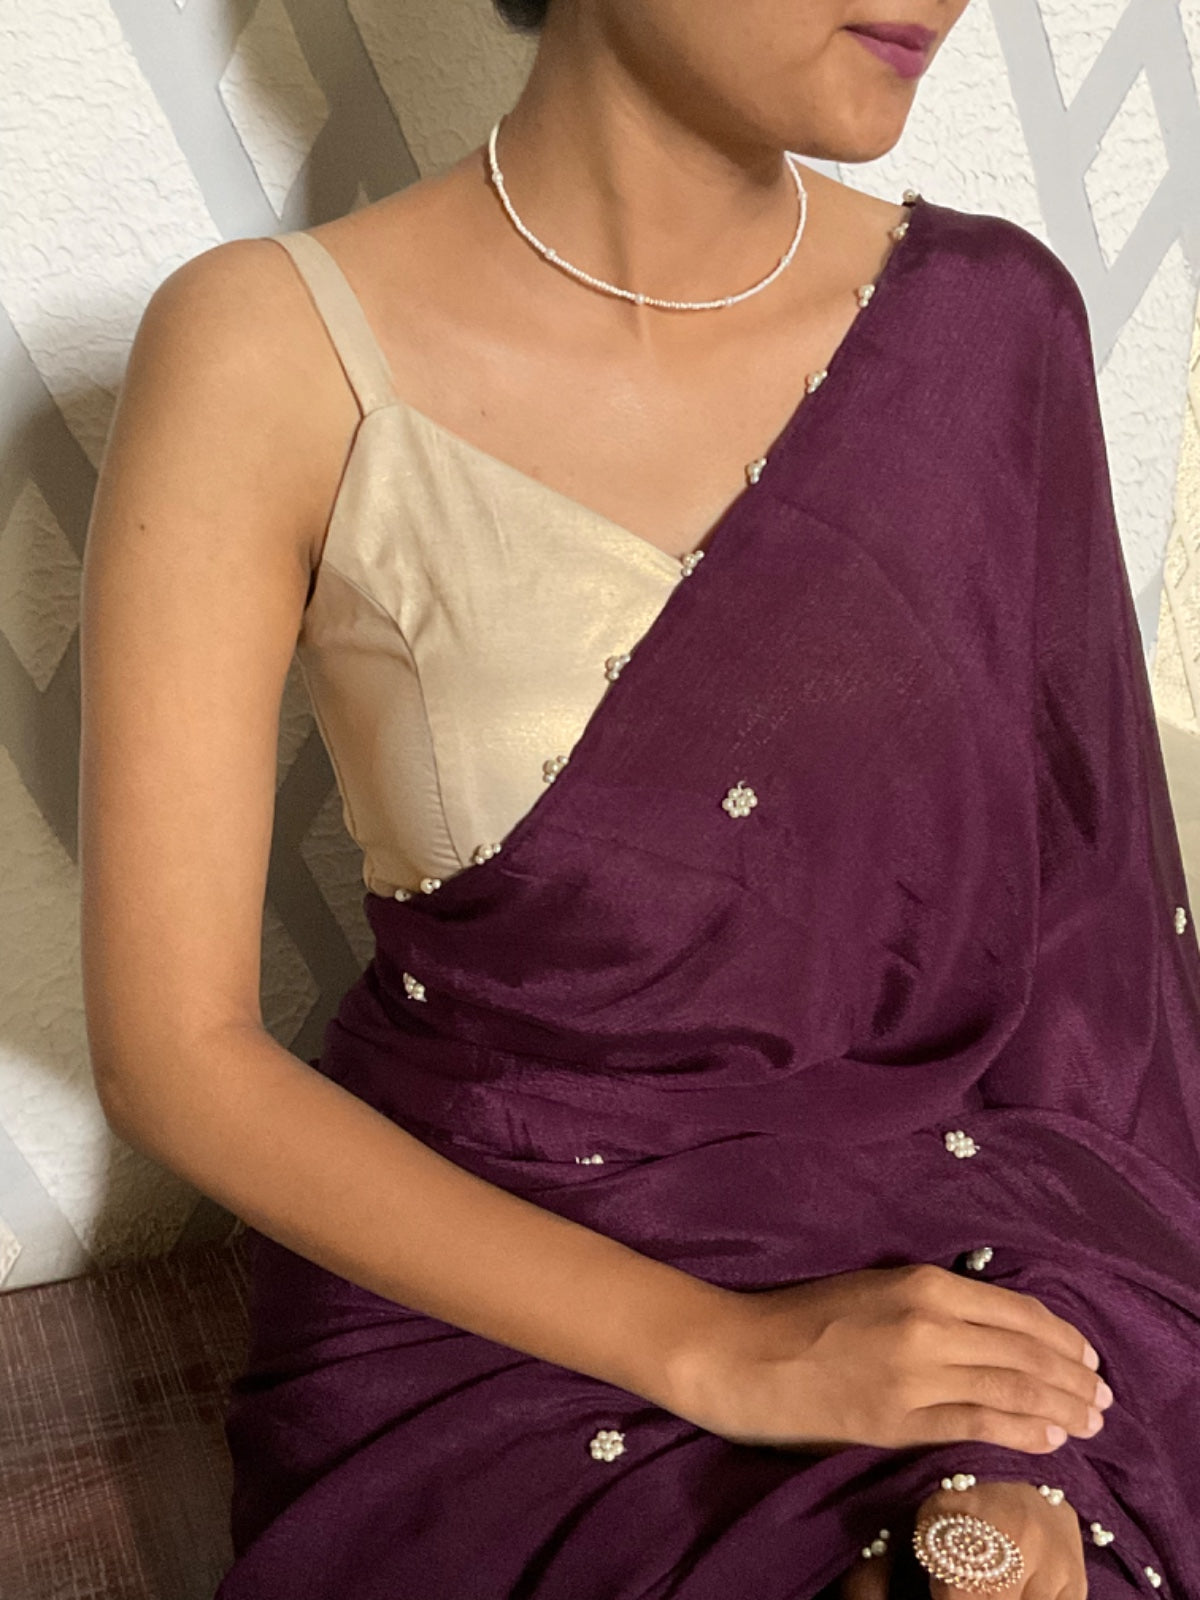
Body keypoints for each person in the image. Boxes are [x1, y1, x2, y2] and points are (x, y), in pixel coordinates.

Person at [77, 0, 1200, 1595]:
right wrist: (720, 1353)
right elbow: (175, 1054)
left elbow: (1093, 972)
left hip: (953, 1230)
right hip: (494, 1301)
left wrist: (1007, 1429)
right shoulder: (271, 354)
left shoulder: (991, 324)